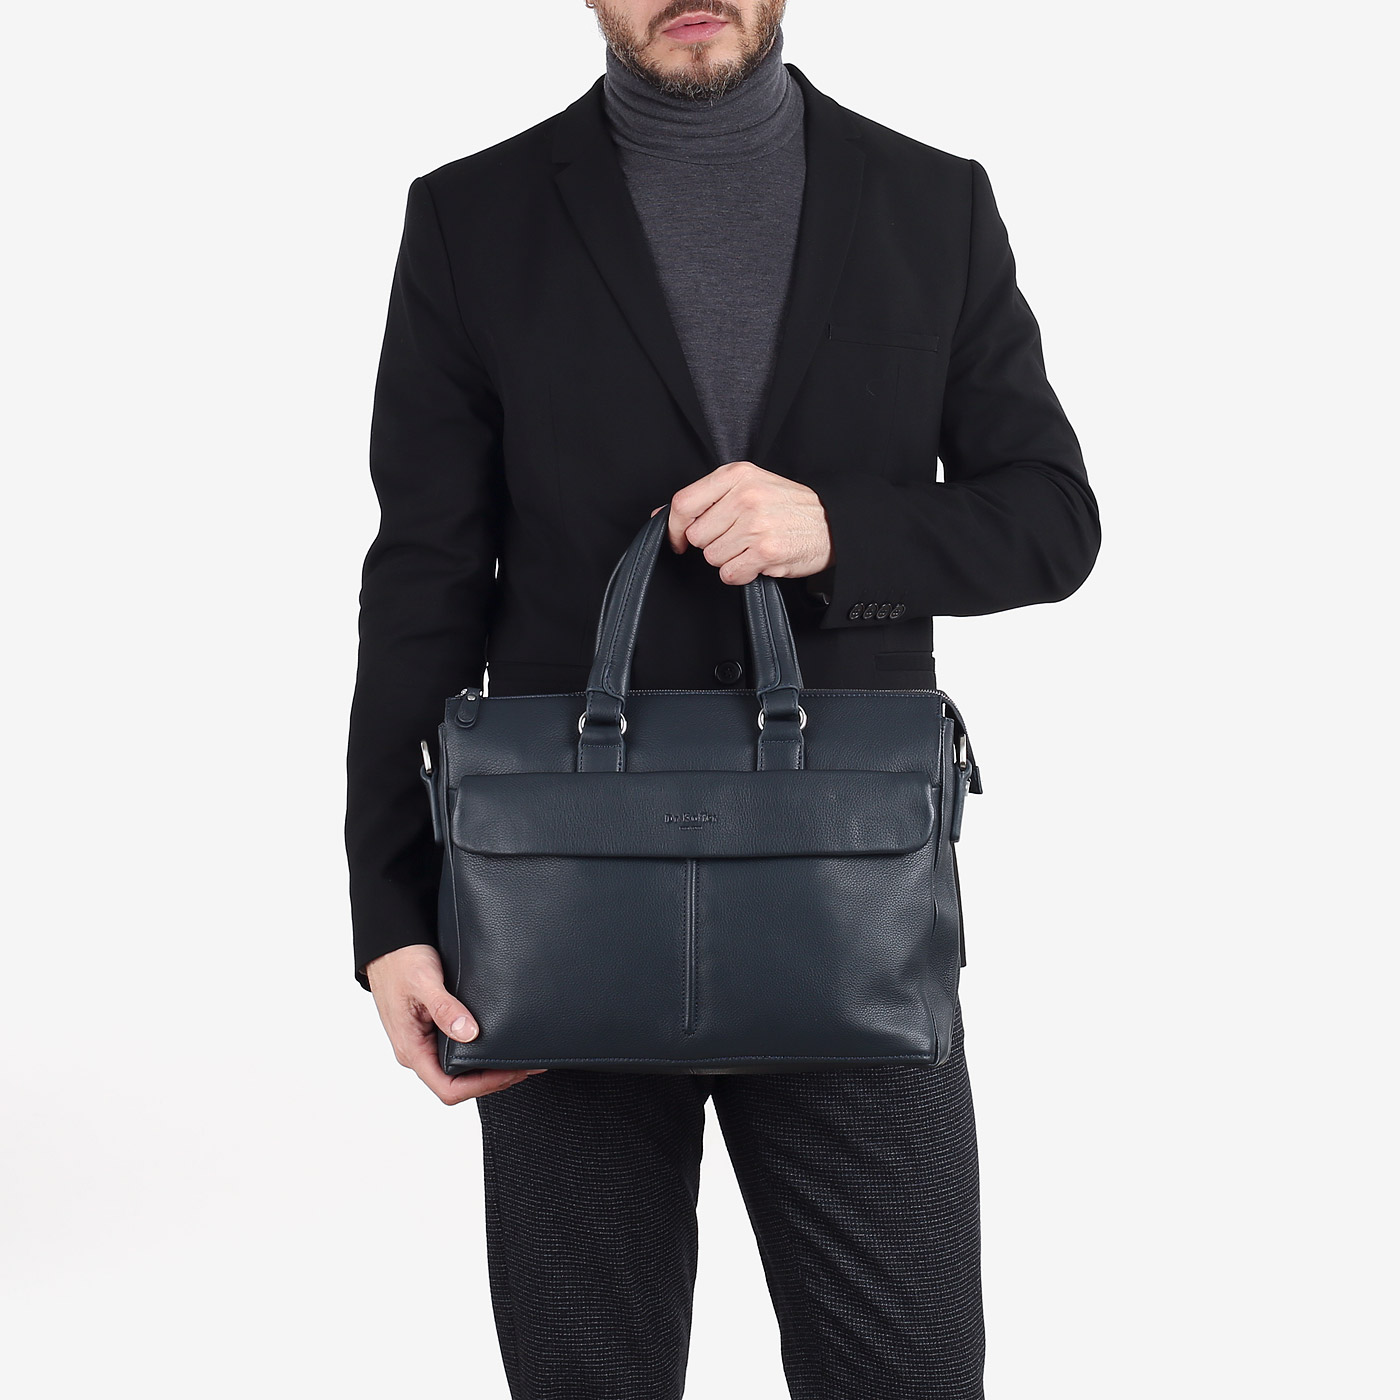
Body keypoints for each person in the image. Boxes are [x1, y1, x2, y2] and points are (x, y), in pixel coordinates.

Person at [345, 2, 1100, 1395]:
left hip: (852, 907)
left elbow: (1053, 521)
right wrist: (392, 913)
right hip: (561, 910)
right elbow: (422, 582)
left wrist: (841, 530)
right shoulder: (472, 217)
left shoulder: (930, 201)